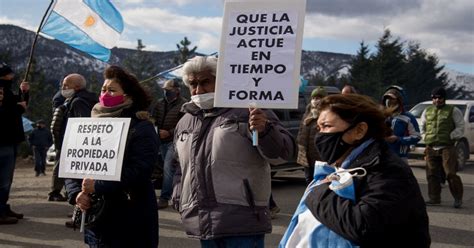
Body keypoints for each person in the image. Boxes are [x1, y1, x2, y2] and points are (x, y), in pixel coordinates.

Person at [171, 56, 296, 247]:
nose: (198, 90)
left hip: (242, 219)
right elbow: (180, 165)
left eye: (205, 82)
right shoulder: (185, 121)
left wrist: (265, 131)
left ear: (222, 81)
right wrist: (179, 196)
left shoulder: (248, 111)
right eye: (192, 84)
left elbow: (282, 155)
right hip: (202, 222)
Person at [281, 94, 430, 247]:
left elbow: (364, 226)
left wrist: (317, 193)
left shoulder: (387, 170)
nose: (320, 135)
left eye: (326, 126)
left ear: (359, 130)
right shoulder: (345, 166)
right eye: (318, 128)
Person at [65, 66, 160, 247]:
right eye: (103, 89)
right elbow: (74, 163)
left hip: (129, 217)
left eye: (112, 90)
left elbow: (141, 170)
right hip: (97, 218)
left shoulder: (141, 127)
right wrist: (76, 193)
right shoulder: (89, 124)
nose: (105, 94)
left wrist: (98, 185)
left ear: (127, 95)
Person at [48, 74, 97, 202]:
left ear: (77, 86)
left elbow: (84, 125)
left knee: (76, 176)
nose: (63, 87)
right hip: (75, 144)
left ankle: (81, 208)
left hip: (76, 146)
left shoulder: (78, 101)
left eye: (66, 85)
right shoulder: (75, 99)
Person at [421, 87, 464, 208]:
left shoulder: (453, 110)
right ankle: (434, 199)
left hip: (447, 147)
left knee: (450, 173)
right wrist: (425, 136)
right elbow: (422, 126)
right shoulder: (427, 111)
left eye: (440, 97)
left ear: (444, 98)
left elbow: (460, 126)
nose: (437, 100)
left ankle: (458, 199)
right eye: (434, 97)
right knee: (431, 174)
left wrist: (452, 136)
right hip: (431, 147)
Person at [0, 62, 29, 224]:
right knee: (2, 179)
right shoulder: (1, 89)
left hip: (10, 139)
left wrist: (23, 93)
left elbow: (19, 103)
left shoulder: (7, 89)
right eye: (10, 73)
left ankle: (3, 207)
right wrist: (19, 108)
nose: (13, 75)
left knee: (6, 178)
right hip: (3, 140)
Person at [151, 79, 186, 209]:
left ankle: (165, 198)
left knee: (168, 167)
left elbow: (184, 124)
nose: (166, 93)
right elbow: (153, 118)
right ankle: (175, 192)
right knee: (166, 168)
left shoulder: (184, 104)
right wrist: (156, 130)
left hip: (174, 141)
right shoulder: (159, 103)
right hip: (159, 140)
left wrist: (169, 132)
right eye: (165, 90)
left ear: (177, 90)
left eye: (169, 90)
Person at [382, 85, 421, 163]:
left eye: (392, 99)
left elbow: (416, 137)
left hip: (400, 158)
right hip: (382, 156)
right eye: (387, 98)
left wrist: (398, 139)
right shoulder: (381, 115)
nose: (389, 101)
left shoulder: (408, 117)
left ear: (400, 100)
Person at [296, 86, 326, 184]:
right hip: (306, 153)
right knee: (309, 179)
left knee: (320, 181)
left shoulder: (326, 113)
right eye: (313, 98)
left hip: (320, 154)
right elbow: (302, 130)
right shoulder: (308, 112)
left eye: (318, 98)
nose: (315, 100)